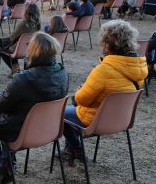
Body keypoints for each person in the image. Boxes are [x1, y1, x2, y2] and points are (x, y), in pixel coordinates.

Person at [0, 32, 69, 183]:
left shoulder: (23, 79)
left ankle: (4, 164)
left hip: (21, 132)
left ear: (32, 52)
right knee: (11, 116)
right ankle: (6, 163)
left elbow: (1, 105)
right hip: (49, 129)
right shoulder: (62, 72)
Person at [62, 20, 147, 164]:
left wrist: (80, 91)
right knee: (73, 110)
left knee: (60, 112)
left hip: (96, 121)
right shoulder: (139, 68)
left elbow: (81, 99)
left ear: (106, 44)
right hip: (120, 120)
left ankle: (76, 148)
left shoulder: (104, 70)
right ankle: (70, 150)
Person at [0, 3, 41, 76]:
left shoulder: (23, 24)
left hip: (20, 50)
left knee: (2, 48)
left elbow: (12, 38)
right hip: (32, 49)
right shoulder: (38, 25)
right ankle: (16, 68)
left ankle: (15, 67)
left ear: (26, 12)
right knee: (9, 45)